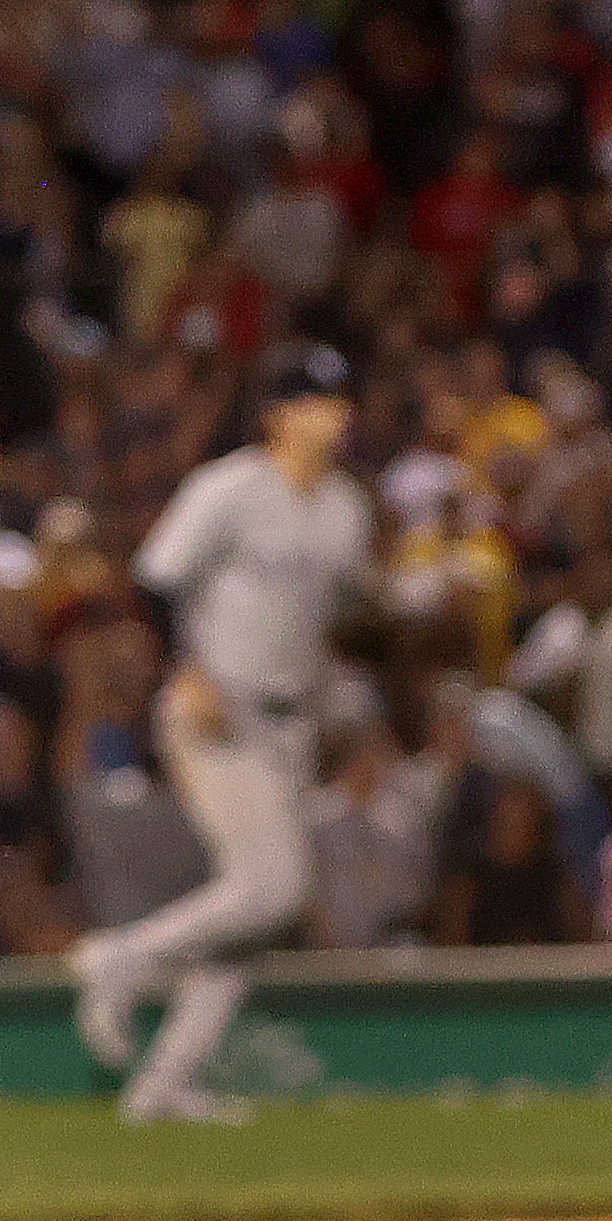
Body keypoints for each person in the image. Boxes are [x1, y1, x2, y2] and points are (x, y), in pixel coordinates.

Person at [67, 355, 375, 1121]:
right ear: (277, 413)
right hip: (218, 710)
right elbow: (153, 577)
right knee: (274, 888)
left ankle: (163, 1087)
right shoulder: (230, 488)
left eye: (337, 398)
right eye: (313, 398)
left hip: (292, 720)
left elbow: (334, 613)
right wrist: (187, 669)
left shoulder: (346, 507)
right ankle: (119, 960)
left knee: (255, 916)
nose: (332, 413)